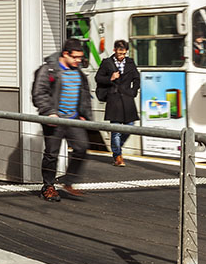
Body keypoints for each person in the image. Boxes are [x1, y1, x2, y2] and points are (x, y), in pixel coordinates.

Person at [32, 38, 92, 202]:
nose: (78, 60)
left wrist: (83, 115)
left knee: (82, 148)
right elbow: (39, 93)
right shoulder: (48, 69)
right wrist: (49, 112)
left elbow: (84, 95)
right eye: (75, 57)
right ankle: (48, 187)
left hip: (73, 120)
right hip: (55, 120)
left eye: (80, 57)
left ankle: (68, 182)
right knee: (52, 154)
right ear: (65, 54)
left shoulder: (78, 72)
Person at [95, 39, 140, 167]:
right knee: (115, 130)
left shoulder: (130, 63)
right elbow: (98, 78)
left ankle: (117, 147)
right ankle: (117, 156)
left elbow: (137, 78)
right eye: (119, 53)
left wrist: (133, 90)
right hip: (113, 99)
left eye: (123, 54)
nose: (121, 56)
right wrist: (111, 78)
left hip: (127, 99)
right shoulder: (107, 63)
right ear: (114, 50)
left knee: (130, 126)